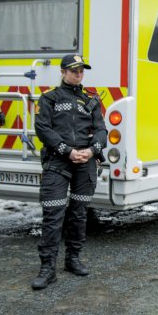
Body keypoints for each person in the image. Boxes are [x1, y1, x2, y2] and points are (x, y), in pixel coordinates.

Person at [31, 54, 106, 290]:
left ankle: (73, 259)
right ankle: (47, 268)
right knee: (53, 214)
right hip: (58, 161)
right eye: (74, 70)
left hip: (85, 162)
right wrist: (67, 151)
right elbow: (43, 129)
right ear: (63, 72)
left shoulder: (90, 100)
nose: (78, 74)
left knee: (79, 213)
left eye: (81, 70)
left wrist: (92, 151)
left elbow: (101, 131)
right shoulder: (49, 98)